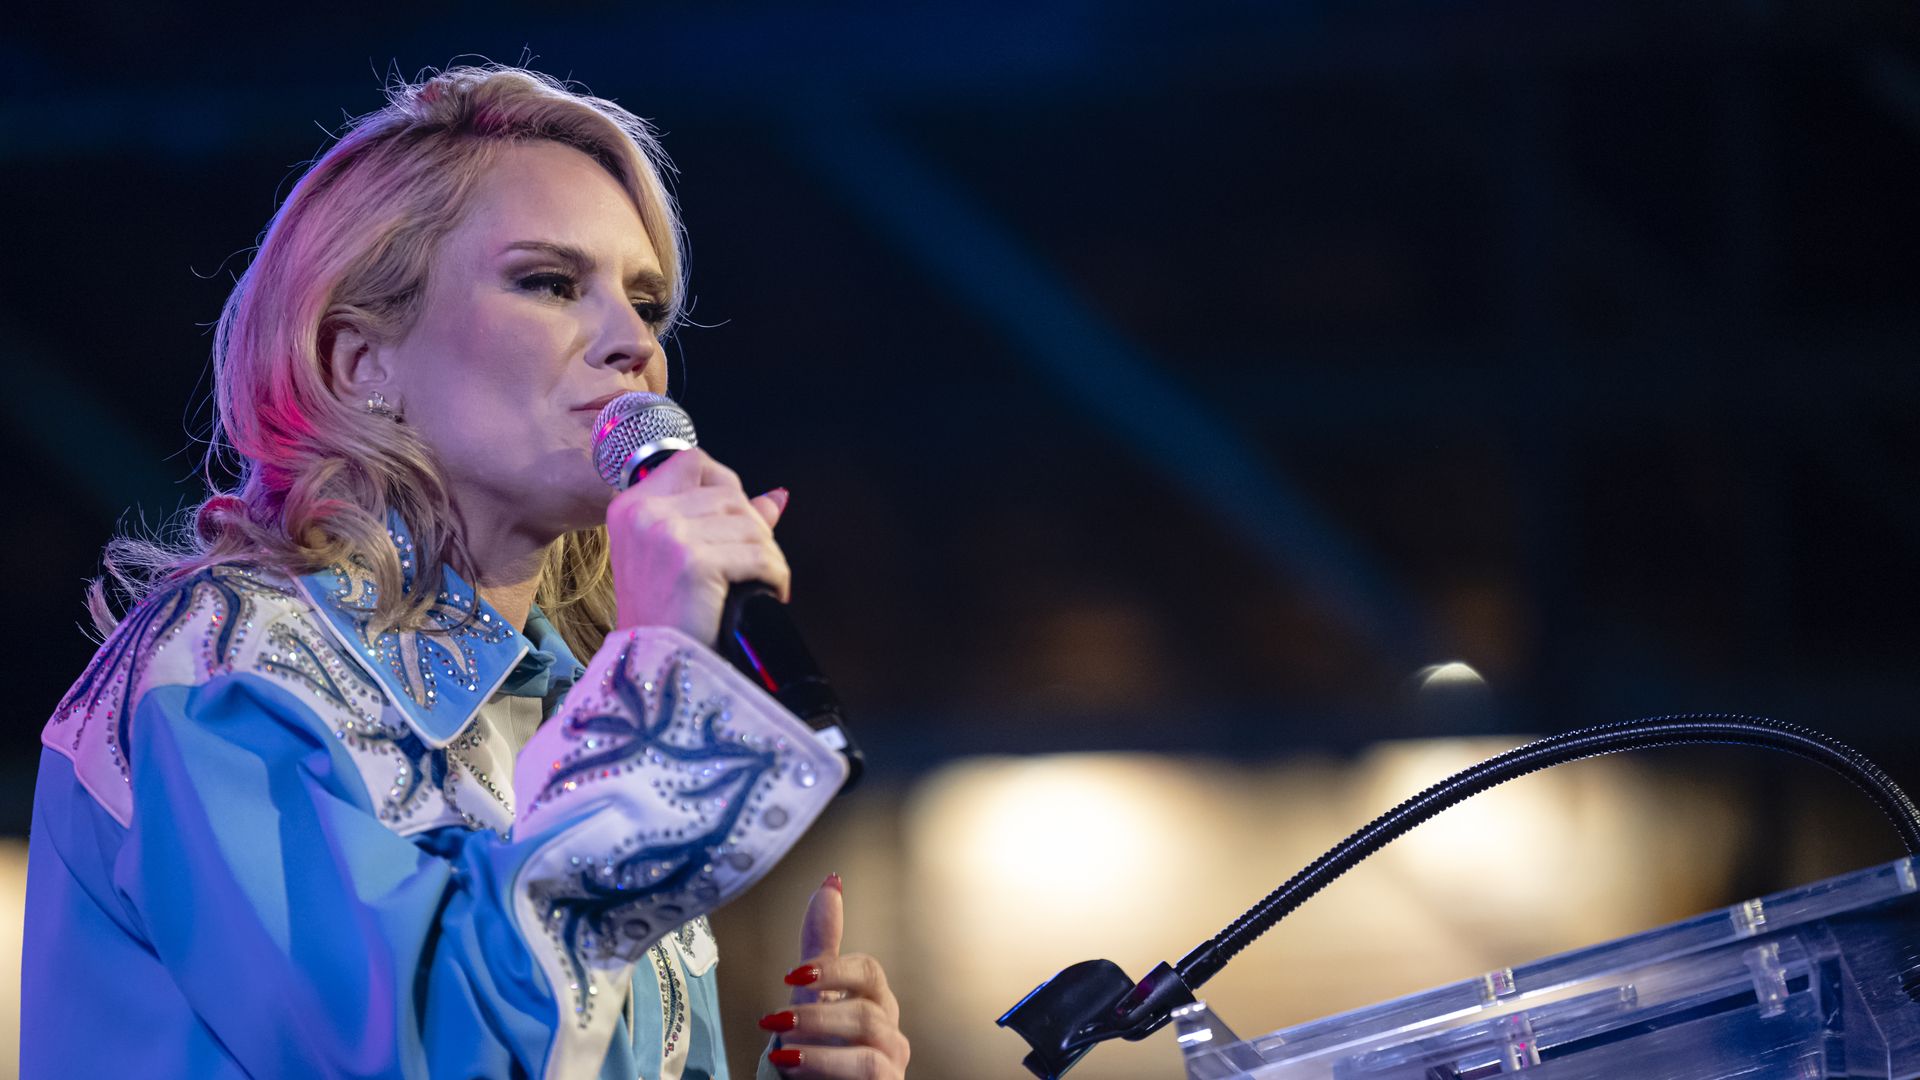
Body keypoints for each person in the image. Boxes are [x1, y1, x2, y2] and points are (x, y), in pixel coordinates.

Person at [21, 65, 911, 1080]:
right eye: (548, 281)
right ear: (361, 361)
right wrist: (660, 682)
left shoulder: (577, 720)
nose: (633, 344)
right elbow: (433, 1054)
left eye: (647, 301)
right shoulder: (224, 673)